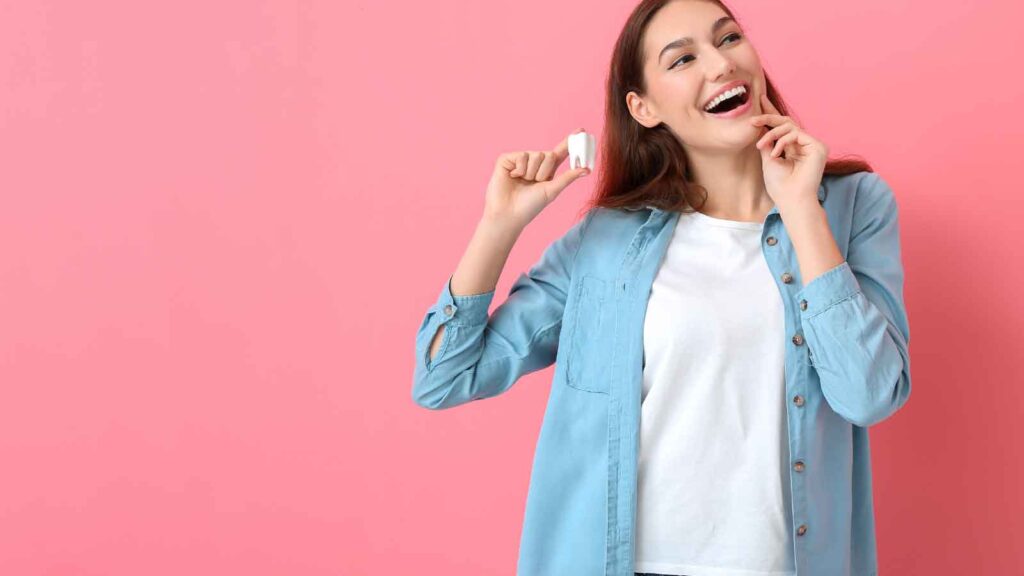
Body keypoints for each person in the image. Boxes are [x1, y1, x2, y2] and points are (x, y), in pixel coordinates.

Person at [412, 0, 912, 574]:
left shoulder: (853, 207)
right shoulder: (606, 242)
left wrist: (800, 207)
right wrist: (498, 227)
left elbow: (870, 394)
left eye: (728, 39)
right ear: (643, 108)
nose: (720, 66)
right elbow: (443, 378)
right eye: (682, 60)